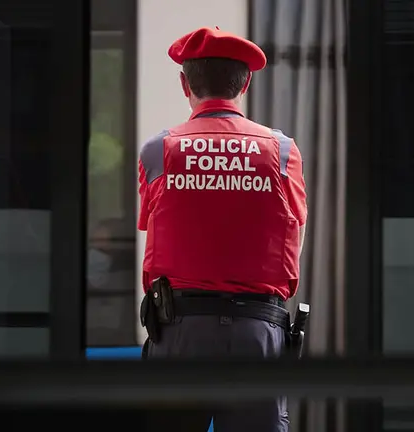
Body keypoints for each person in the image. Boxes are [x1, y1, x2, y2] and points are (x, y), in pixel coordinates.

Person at [137, 26, 307, 432]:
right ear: (245, 82)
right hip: (257, 333)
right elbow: (294, 233)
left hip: (179, 332)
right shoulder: (283, 153)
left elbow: (153, 224)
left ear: (184, 84)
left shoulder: (158, 151)